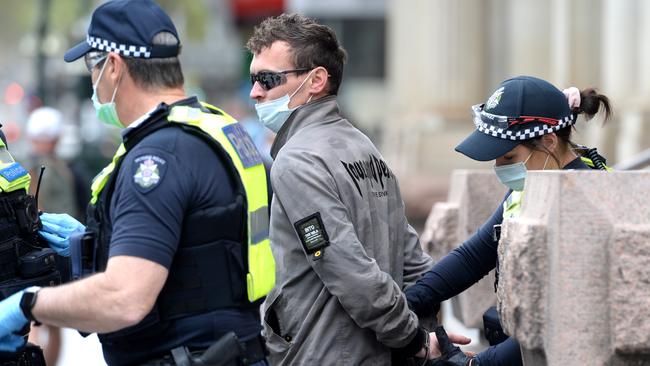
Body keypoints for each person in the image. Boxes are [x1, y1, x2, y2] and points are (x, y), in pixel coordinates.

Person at [0, 1, 274, 365]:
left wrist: (27, 304)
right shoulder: (216, 128)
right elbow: (201, 245)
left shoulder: (157, 158)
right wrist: (97, 243)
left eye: (92, 66)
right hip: (234, 346)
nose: (92, 78)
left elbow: (124, 298)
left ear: (113, 66)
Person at [246, 14, 471, 365]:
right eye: (253, 78)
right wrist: (419, 335)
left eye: (267, 79)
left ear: (316, 80)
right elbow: (415, 262)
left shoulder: (297, 160)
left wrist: (414, 340)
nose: (255, 91)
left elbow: (346, 267)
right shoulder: (364, 146)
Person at [405, 75, 612, 365]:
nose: (499, 168)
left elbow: (568, 315)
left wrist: (479, 363)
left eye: (508, 157)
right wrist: (407, 303)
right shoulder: (535, 184)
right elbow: (474, 255)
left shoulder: (587, 197)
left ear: (549, 142)